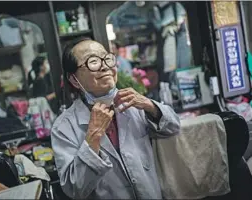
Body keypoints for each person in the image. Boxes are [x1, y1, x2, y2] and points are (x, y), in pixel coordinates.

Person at [51, 37, 180, 199]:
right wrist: (93, 136)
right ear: (74, 80)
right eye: (93, 62)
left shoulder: (133, 103)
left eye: (107, 58)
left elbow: (174, 128)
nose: (105, 66)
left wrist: (149, 105)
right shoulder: (63, 127)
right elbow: (74, 189)